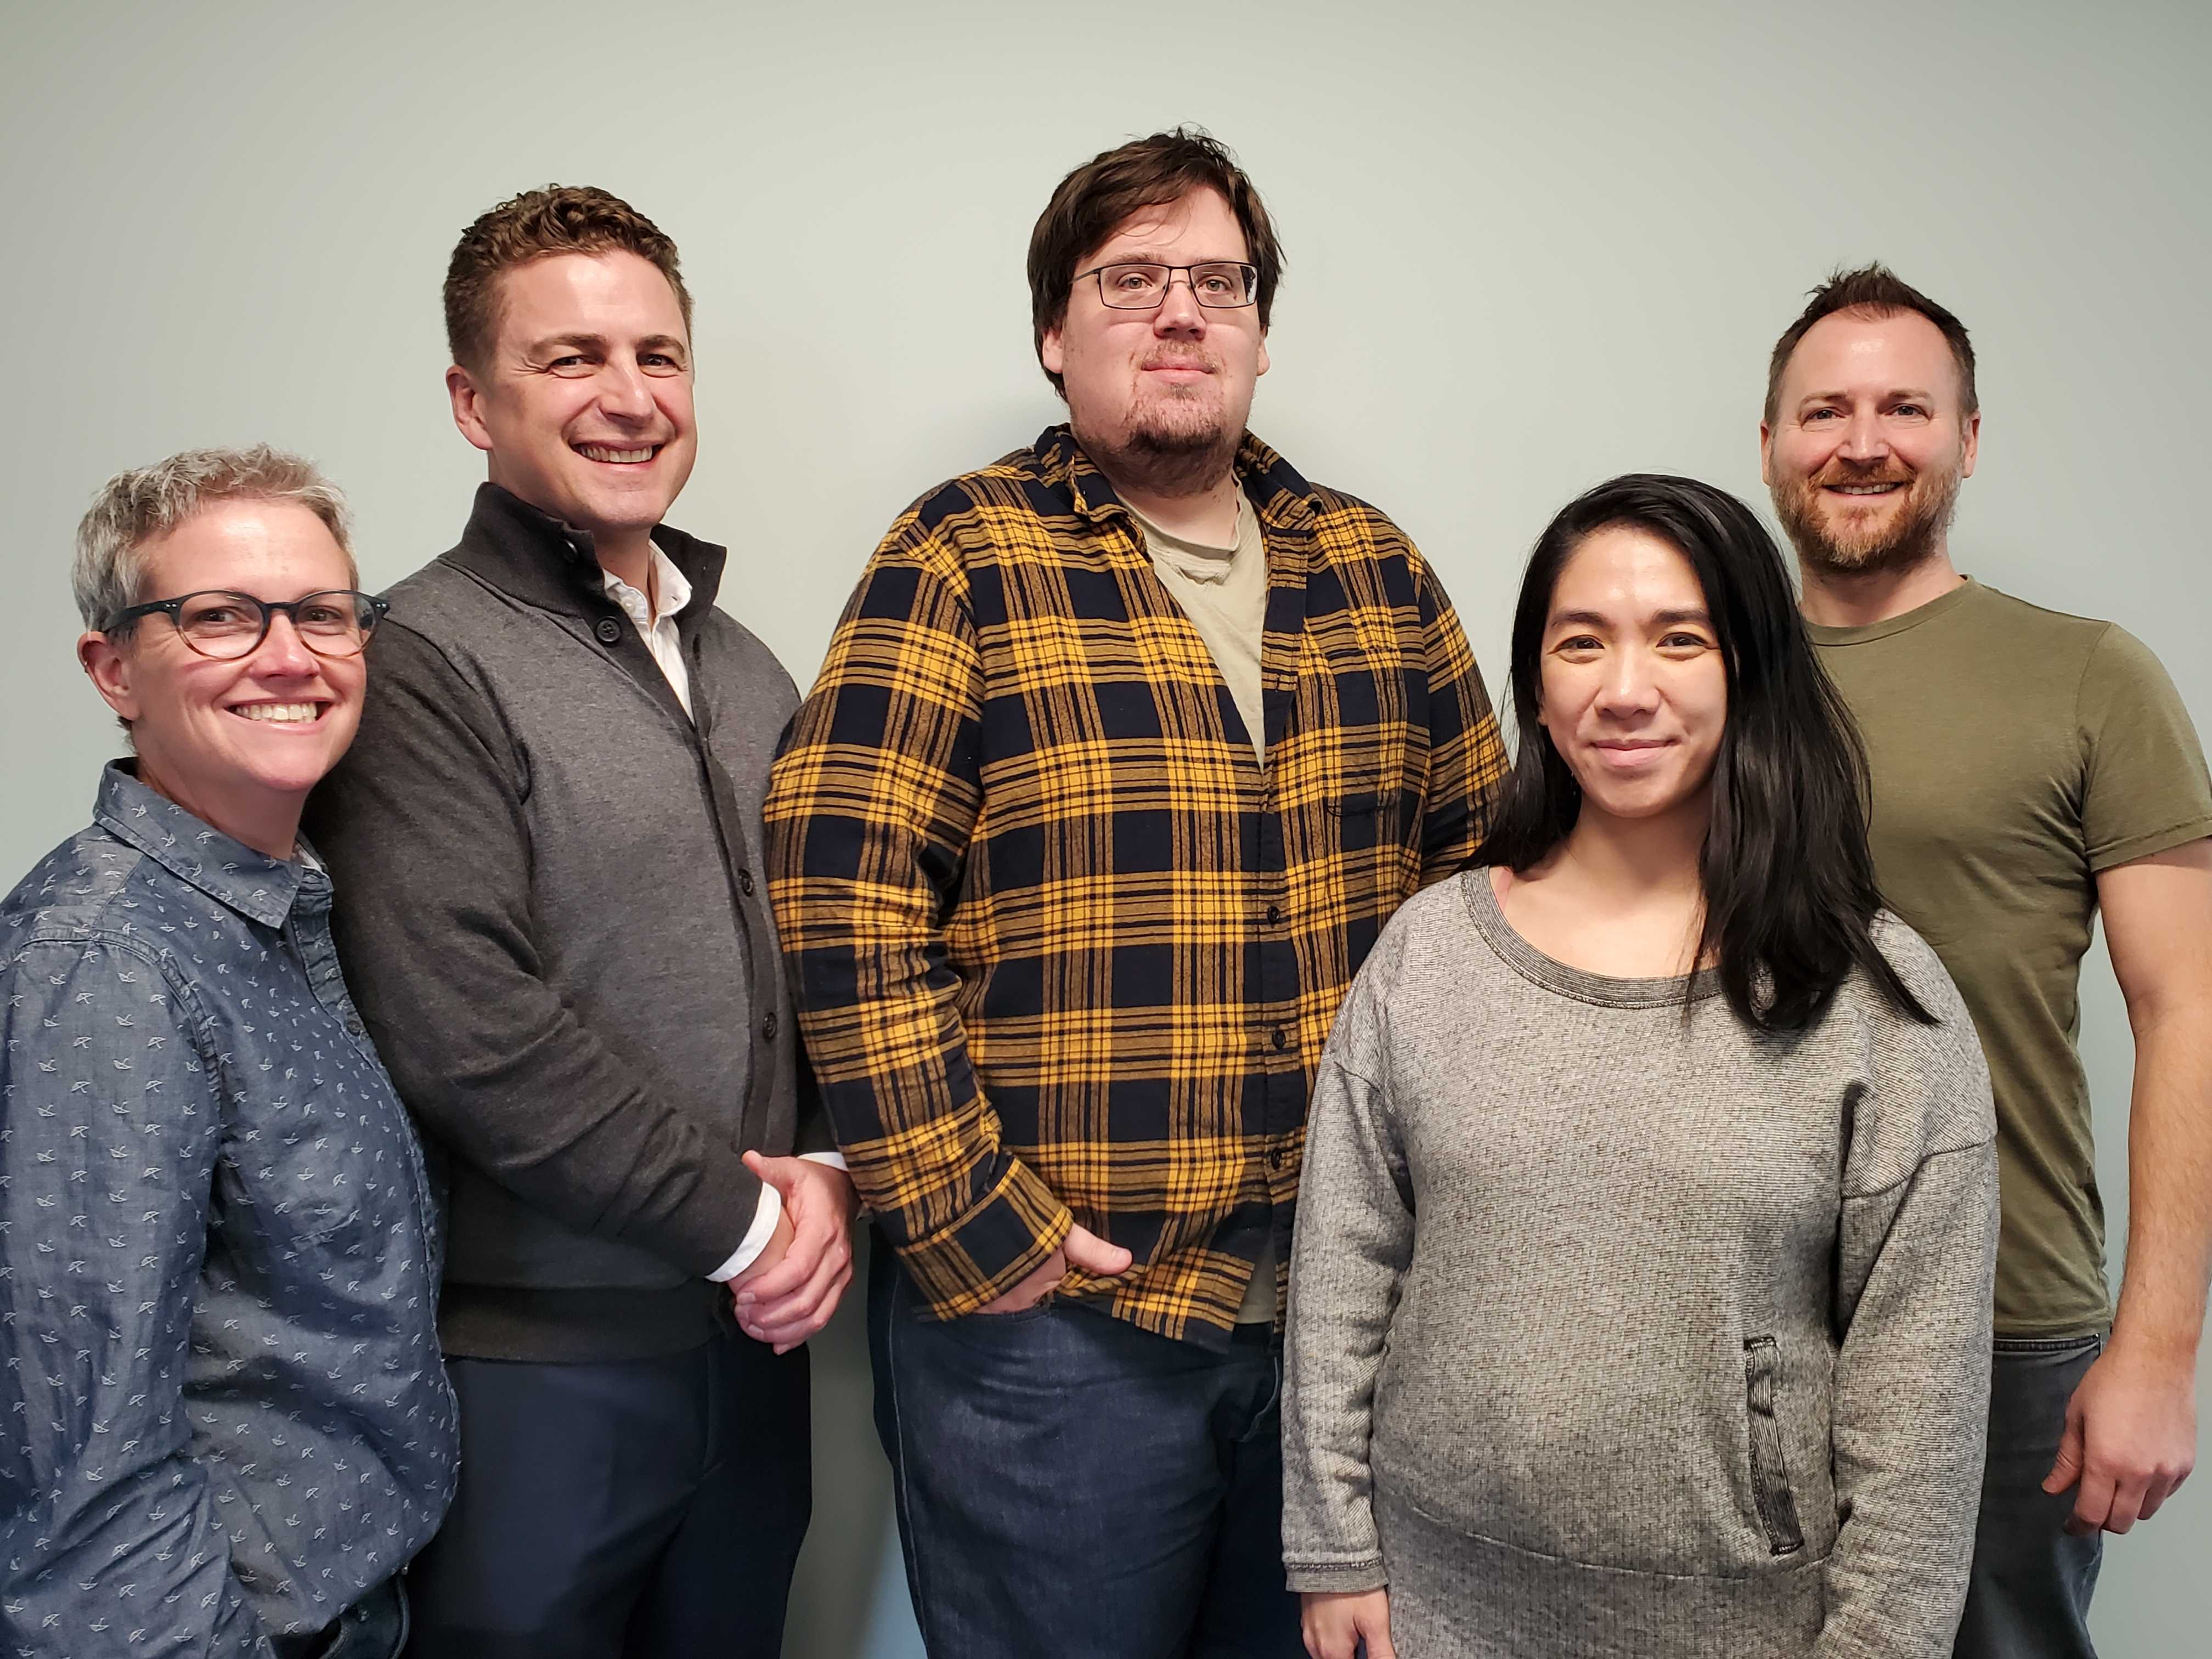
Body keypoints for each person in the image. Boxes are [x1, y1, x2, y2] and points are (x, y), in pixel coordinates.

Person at [764, 128, 1504, 1657]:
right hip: (1060, 1348)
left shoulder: (1374, 570)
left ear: (1257, 329)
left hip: (1339, 1335)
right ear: (1056, 332)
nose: (1182, 311)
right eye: (1134, 279)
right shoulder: (961, 557)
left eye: (1219, 282)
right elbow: (844, 896)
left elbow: (1480, 894)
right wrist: (976, 1216)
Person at [1283, 473, 2001, 1659]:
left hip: (1750, 1624)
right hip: (1428, 1603)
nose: (1626, 691)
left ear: (1752, 669)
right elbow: (1344, 1268)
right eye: (1582, 644)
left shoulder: (1877, 998)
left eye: (1680, 640)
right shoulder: (1429, 957)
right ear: (1537, 687)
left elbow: (1919, 1397)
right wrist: (1335, 1548)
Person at [302, 186, 853, 1658]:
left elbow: (823, 957)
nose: (629, 400)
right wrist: (753, 1226)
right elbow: (468, 1026)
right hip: (535, 1378)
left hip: (754, 1364)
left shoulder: (748, 667)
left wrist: (826, 1176)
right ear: (472, 402)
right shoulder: (416, 660)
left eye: (658, 356)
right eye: (572, 360)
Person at [1760, 266, 2212, 1659]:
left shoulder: (2088, 676)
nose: (1862, 440)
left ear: (1968, 437)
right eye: (1823, 409)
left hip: (2005, 1318)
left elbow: (2187, 1008)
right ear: (1770, 441)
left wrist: (2155, 1351)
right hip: (1739, 1318)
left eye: (1906, 406)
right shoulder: (1695, 678)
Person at [0, 448, 456, 1658]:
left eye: (322, 613)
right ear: (114, 669)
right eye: (219, 619)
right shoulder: (105, 966)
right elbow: (83, 1477)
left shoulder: (279, 910)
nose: (289, 655)